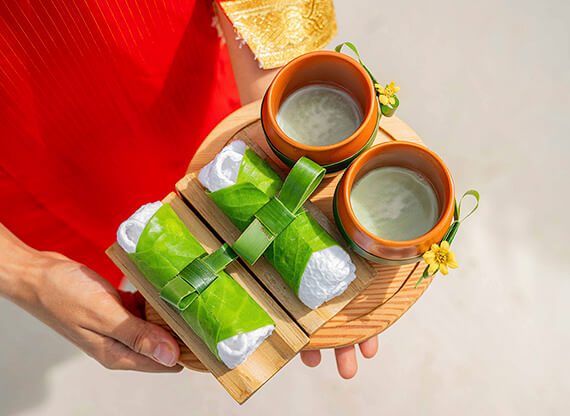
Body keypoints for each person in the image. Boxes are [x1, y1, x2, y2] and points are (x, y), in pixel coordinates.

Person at [0, 0, 378, 379]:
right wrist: (24, 272)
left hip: (178, 71)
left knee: (226, 161)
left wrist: (287, 117)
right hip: (30, 156)